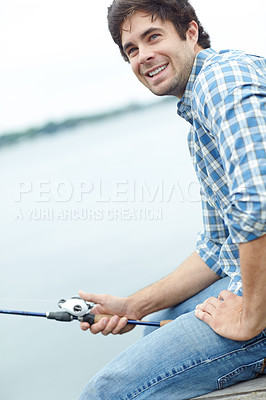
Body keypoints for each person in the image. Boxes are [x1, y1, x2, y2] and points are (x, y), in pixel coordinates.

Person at [78, 1, 266, 399]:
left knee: (105, 392)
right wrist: (133, 306)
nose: (144, 56)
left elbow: (259, 206)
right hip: (250, 279)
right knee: (160, 318)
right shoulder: (199, 110)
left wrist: (250, 317)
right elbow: (220, 248)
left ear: (191, 32)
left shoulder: (222, 84)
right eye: (131, 49)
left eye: (153, 37)